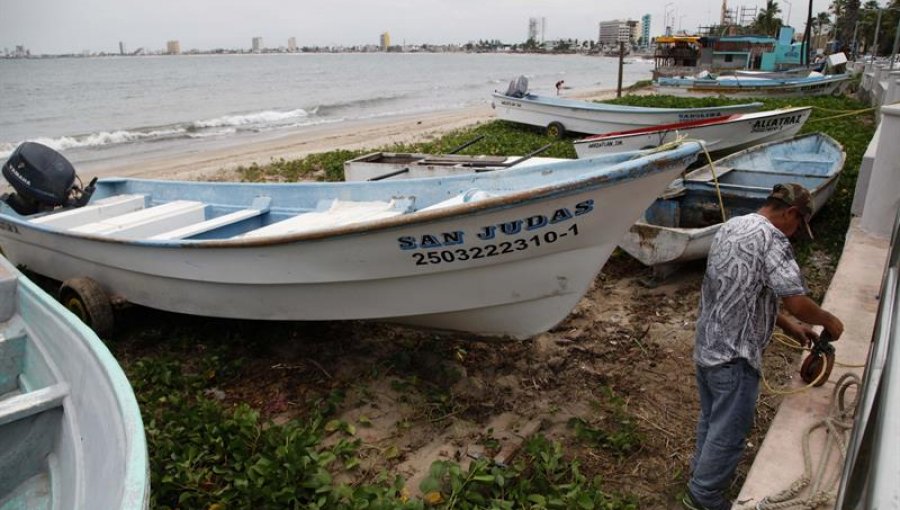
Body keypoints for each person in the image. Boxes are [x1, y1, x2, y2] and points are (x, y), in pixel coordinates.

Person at [683, 183, 844, 510]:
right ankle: (704, 496)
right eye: (799, 224)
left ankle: (698, 477)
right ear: (790, 213)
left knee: (712, 418)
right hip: (735, 357)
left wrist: (788, 324)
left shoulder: (733, 226)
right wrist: (828, 321)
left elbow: (742, 290)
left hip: (708, 347)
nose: (796, 232)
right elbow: (797, 301)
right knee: (729, 435)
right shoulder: (773, 238)